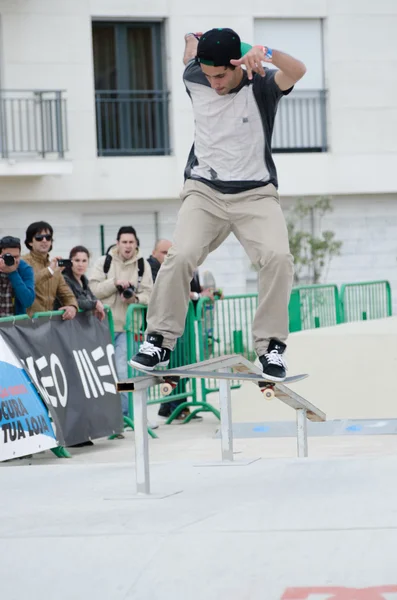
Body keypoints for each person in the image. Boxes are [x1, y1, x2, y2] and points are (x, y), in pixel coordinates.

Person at [130, 28, 306, 381]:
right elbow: (189, 57)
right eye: (208, 76)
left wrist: (267, 51)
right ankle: (159, 340)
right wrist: (190, 40)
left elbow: (298, 71)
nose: (214, 84)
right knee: (179, 256)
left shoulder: (263, 85)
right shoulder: (194, 75)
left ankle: (270, 347)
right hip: (204, 191)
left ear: (238, 64)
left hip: (255, 194)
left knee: (278, 258)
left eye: (221, 75)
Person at [89, 226, 153, 418]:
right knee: (104, 373)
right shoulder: (104, 262)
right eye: (124, 242)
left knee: (125, 372)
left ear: (136, 244)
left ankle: (127, 415)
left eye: (131, 242)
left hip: (129, 328)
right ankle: (112, 416)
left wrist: (135, 299)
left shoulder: (143, 265)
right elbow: (93, 290)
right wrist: (114, 283)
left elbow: (150, 294)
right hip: (104, 327)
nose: (128, 246)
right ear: (117, 243)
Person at [22, 221, 78, 319]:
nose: (44, 241)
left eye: (48, 237)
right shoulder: (23, 262)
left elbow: (66, 293)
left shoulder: (53, 267)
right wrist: (49, 270)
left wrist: (72, 307)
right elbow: (27, 284)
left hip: (48, 324)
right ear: (30, 242)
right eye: (39, 238)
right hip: (26, 323)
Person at [58, 245, 105, 321]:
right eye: (77, 260)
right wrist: (94, 304)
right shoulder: (64, 279)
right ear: (70, 261)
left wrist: (97, 303)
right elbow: (72, 301)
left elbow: (92, 297)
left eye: (84, 261)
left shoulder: (84, 280)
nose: (80, 264)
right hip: (66, 324)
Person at [0, 236, 35, 317]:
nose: (13, 260)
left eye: (16, 257)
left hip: (14, 325)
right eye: (8, 257)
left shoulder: (25, 269)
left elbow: (27, 301)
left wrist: (13, 273)